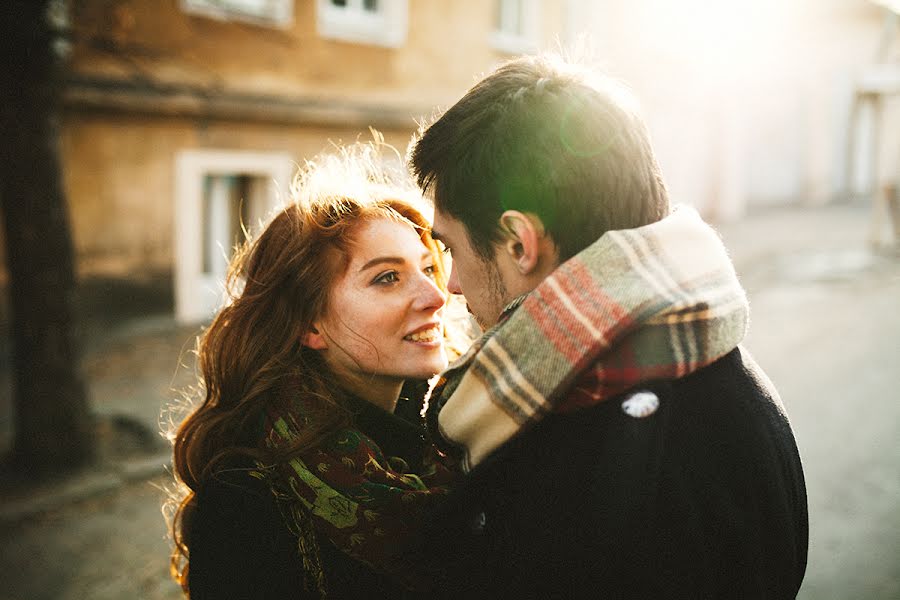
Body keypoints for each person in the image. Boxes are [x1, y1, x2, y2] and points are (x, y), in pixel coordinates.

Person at [408, 54, 808, 598]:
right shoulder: (732, 375)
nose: (450, 285)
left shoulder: (570, 461)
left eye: (450, 247)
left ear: (520, 244)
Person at [165, 142, 458, 599]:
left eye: (427, 268)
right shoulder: (247, 500)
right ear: (308, 324)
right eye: (387, 277)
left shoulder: (458, 433)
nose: (436, 296)